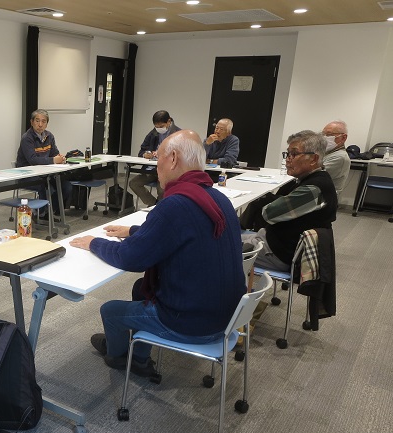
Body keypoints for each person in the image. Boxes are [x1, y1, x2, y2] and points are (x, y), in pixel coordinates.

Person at [69, 130, 245, 377]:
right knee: (141, 288)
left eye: (158, 157)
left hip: (192, 322)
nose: (155, 165)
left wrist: (94, 243)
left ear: (172, 158)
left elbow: (130, 258)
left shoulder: (174, 204)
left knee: (110, 310)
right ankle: (140, 352)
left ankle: (120, 358)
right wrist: (134, 230)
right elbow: (183, 232)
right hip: (227, 317)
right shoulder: (216, 197)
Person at [241, 130, 338, 271]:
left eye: (294, 154)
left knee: (217, 248)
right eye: (287, 154)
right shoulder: (307, 179)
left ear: (313, 159)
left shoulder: (313, 188)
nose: (288, 159)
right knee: (223, 238)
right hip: (273, 240)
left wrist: (271, 201)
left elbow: (268, 213)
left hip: (278, 252)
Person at [16, 109, 71, 216]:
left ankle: (51, 211)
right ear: (32, 122)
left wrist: (60, 158)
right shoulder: (27, 138)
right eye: (37, 121)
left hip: (45, 174)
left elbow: (54, 153)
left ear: (47, 124)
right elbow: (33, 160)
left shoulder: (49, 136)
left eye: (43, 121)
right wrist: (53, 160)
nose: (40, 124)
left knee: (66, 186)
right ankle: (41, 214)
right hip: (28, 175)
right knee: (48, 188)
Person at [130, 110, 182, 207]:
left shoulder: (179, 134)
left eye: (161, 126)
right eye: (156, 126)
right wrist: (145, 154)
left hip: (168, 171)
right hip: (152, 169)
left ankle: (160, 207)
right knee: (134, 183)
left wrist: (164, 155)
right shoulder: (153, 133)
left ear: (169, 121)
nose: (159, 129)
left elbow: (182, 156)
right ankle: (155, 204)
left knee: (161, 189)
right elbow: (142, 150)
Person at [321, 120, 351, 195]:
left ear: (343, 138)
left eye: (329, 135)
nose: (324, 138)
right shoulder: (328, 152)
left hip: (323, 197)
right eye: (323, 134)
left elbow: (315, 175)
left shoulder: (340, 157)